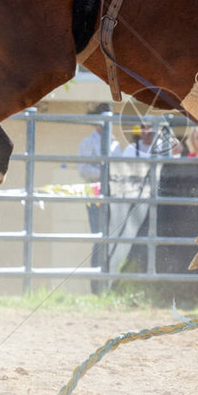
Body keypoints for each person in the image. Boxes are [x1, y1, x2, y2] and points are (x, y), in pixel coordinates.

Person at [77, 103, 120, 285]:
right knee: (98, 236)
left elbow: (118, 169)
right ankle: (97, 282)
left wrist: (107, 171)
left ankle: (108, 280)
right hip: (95, 195)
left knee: (111, 236)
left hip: (113, 195)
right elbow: (83, 169)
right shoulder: (88, 142)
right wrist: (105, 172)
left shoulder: (115, 143)